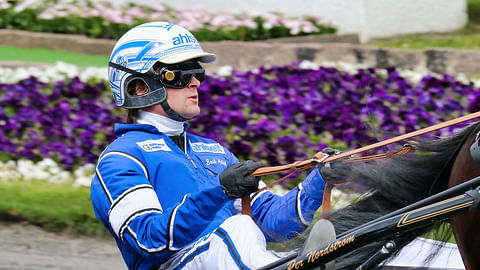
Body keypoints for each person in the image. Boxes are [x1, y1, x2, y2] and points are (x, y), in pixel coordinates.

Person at [90, 21, 342, 270]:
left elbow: (275, 225)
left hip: (234, 257)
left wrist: (319, 179)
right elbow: (148, 240)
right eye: (178, 75)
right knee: (239, 227)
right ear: (139, 87)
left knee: (351, 248)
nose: (195, 83)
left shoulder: (215, 152)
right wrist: (218, 190)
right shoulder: (120, 159)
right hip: (176, 263)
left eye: (197, 73)